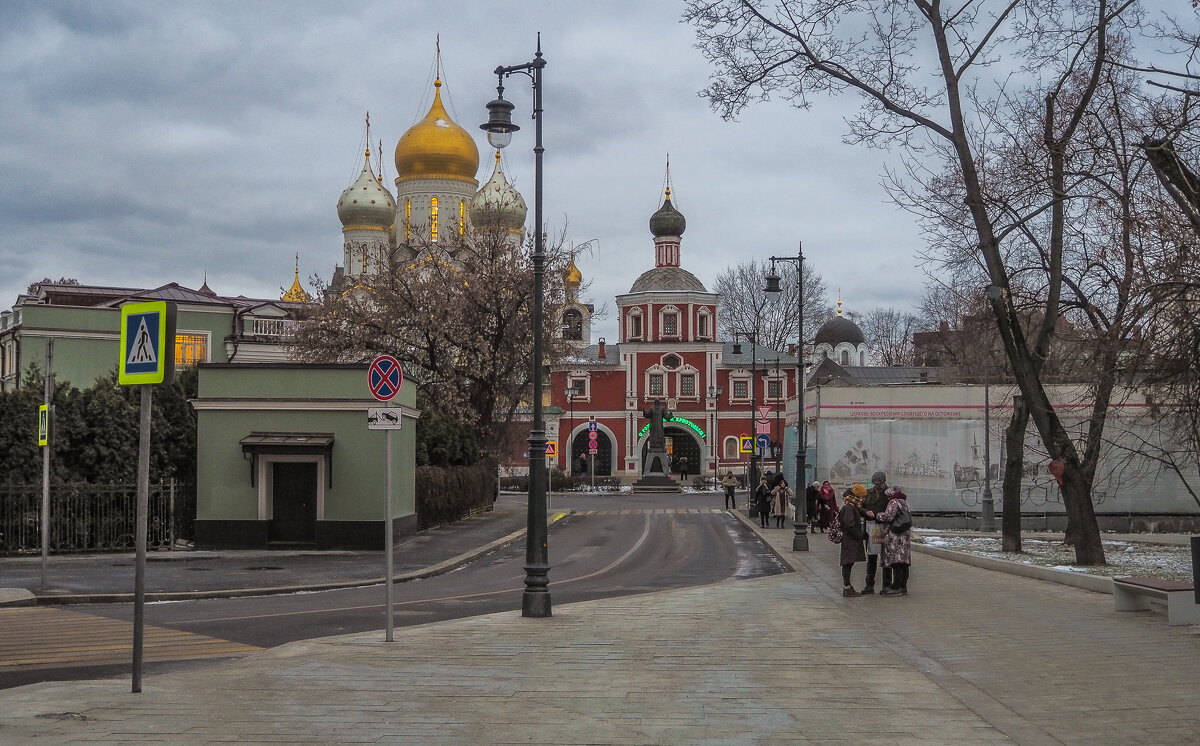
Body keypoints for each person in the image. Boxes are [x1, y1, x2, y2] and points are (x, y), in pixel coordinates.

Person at [876, 485, 913, 596]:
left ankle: (896, 587)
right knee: (904, 562)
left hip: (895, 536)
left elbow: (888, 516)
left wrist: (878, 515)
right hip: (905, 535)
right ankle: (903, 587)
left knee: (896, 561)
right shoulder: (905, 503)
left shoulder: (893, 502)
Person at [860, 470, 892, 594]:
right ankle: (869, 585)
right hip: (871, 528)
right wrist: (865, 512)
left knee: (885, 558)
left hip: (884, 529)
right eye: (875, 484)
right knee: (871, 557)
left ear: (884, 482)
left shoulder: (889, 495)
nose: (877, 486)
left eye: (880, 484)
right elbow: (860, 507)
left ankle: (886, 585)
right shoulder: (868, 493)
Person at [838, 484, 868, 597]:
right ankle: (847, 587)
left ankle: (848, 586)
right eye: (863, 497)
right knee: (847, 562)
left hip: (850, 539)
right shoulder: (849, 507)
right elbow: (849, 524)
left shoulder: (851, 506)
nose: (864, 499)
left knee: (849, 562)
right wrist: (860, 535)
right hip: (850, 539)